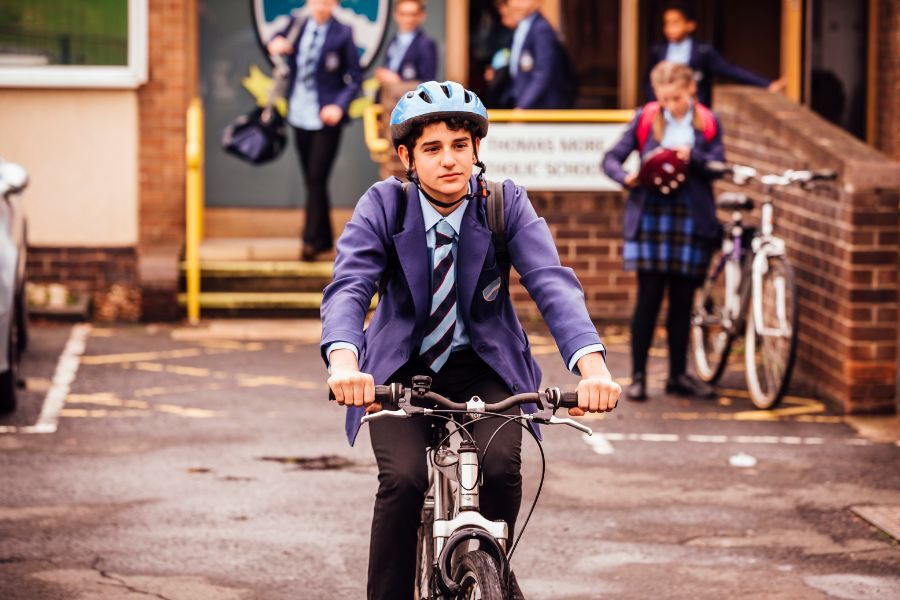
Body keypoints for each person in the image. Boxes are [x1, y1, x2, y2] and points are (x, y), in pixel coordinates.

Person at [321, 80, 621, 599]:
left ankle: (488, 577)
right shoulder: (385, 206)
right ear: (406, 157)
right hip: (397, 373)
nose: (449, 160)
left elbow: (552, 283)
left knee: (502, 469)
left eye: (460, 146)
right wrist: (346, 365)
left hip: (484, 369)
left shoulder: (504, 204)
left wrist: (593, 371)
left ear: (476, 149)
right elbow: (350, 288)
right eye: (432, 148)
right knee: (405, 481)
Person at [602, 61, 724, 401]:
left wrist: (693, 156)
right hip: (651, 213)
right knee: (649, 298)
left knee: (683, 301)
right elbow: (610, 158)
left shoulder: (708, 122)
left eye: (677, 98)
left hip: (691, 215)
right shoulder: (645, 117)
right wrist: (625, 177)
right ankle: (638, 377)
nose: (670, 105)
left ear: (691, 90)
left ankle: (677, 376)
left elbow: (718, 165)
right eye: (664, 98)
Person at [267, 0, 362, 261]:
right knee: (312, 179)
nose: (321, 5)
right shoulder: (297, 23)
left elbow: (354, 78)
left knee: (317, 176)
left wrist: (338, 106)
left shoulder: (342, 32)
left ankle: (309, 241)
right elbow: (275, 42)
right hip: (298, 112)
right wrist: (275, 44)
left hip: (326, 117)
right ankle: (323, 238)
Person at [645, 1, 785, 107]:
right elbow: (648, 80)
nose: (670, 28)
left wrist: (766, 84)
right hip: (664, 109)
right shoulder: (658, 51)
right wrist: (654, 103)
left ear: (690, 24)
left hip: (694, 109)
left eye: (675, 23)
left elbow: (729, 69)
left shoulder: (702, 51)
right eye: (667, 23)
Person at [505, 0, 568, 109]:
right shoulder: (523, 26)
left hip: (539, 107)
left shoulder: (541, 28)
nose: (516, 3)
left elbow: (543, 73)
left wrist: (523, 106)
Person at [374, 0, 437, 86]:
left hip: (408, 97)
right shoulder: (393, 41)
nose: (408, 19)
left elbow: (428, 84)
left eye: (413, 14)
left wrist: (397, 81)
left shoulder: (426, 44)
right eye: (403, 14)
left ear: (422, 16)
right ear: (396, 15)